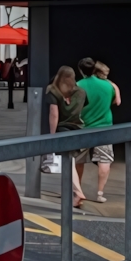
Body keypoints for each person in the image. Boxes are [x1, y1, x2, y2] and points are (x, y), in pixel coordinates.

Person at [77, 57, 120, 204]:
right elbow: (116, 101)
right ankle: (100, 193)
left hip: (83, 127)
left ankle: (78, 191)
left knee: (78, 160)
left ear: (80, 70)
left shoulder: (78, 85)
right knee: (105, 160)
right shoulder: (108, 86)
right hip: (105, 126)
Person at [46, 64, 87, 207]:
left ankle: (77, 191)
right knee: (70, 162)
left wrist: (52, 136)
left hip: (63, 131)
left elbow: (54, 114)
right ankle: (72, 193)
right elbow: (82, 110)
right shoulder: (81, 92)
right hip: (78, 130)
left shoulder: (53, 91)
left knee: (68, 162)